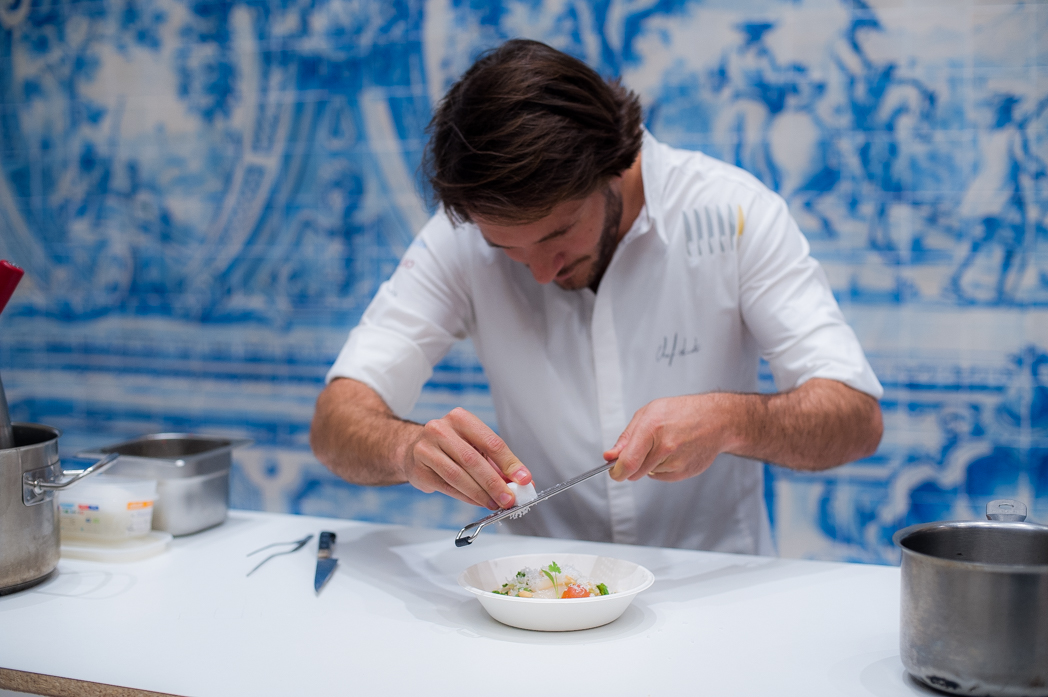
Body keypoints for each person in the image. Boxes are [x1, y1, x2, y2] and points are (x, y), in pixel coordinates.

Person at [310, 39, 883, 554]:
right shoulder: (458, 241)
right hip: (536, 594)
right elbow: (335, 422)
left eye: (557, 235)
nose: (540, 272)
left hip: (712, 589)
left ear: (613, 168)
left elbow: (857, 419)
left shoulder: (736, 213)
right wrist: (406, 449)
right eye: (507, 249)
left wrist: (731, 420)